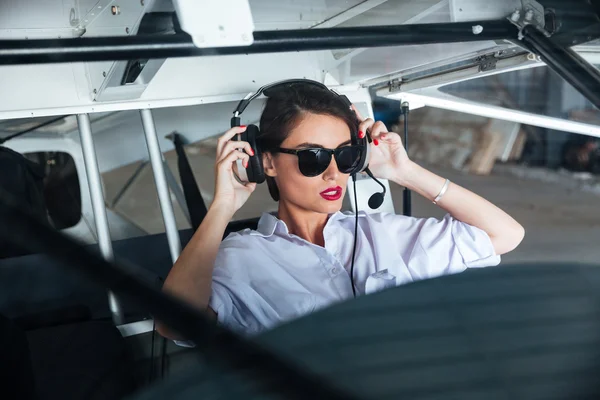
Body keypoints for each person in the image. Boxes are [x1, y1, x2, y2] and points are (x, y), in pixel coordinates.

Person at [158, 82, 524, 338]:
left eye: (346, 155)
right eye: (312, 157)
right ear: (266, 162)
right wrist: (223, 206)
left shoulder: (385, 232)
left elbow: (505, 234)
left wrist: (404, 171)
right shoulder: (238, 258)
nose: (335, 172)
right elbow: (173, 324)